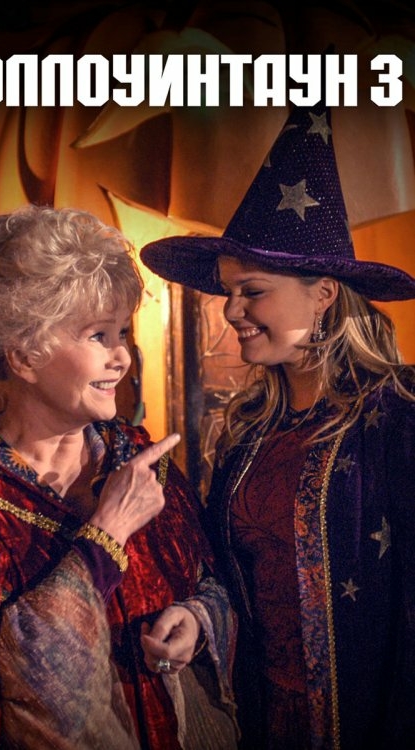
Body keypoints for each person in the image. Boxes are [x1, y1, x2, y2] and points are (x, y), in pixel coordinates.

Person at [140, 102, 415, 749]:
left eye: (252, 290)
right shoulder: (246, 436)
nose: (230, 310)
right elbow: (229, 573)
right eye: (227, 291)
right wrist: (197, 617)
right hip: (265, 723)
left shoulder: (399, 416)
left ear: (323, 293)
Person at [0, 205, 238, 750]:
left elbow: (215, 584)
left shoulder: (143, 461)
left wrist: (197, 620)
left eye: (123, 332)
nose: (122, 357)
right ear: (25, 356)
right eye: (97, 335)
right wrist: (107, 533)